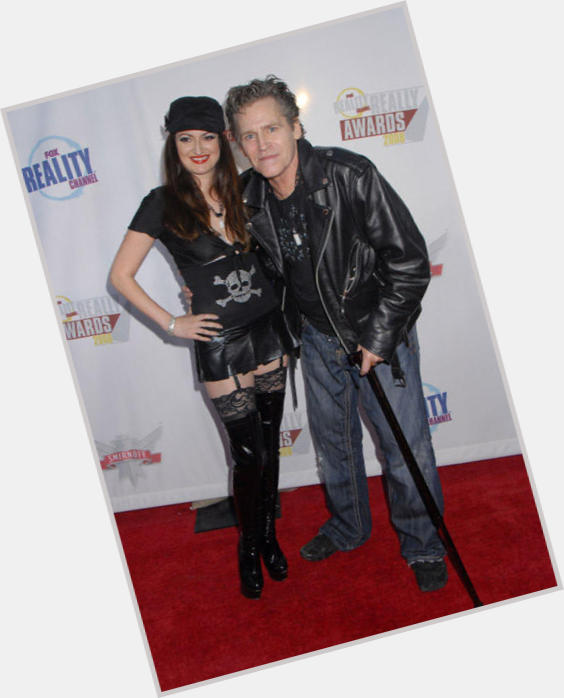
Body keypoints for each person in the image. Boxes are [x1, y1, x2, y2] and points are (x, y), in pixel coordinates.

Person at [222, 76, 448, 593]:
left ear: (296, 127)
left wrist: (380, 337)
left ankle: (423, 545)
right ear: (239, 143)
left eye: (272, 129)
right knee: (334, 446)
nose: (262, 144)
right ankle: (349, 527)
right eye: (250, 135)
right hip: (315, 340)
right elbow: (249, 271)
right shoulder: (247, 196)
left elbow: (409, 262)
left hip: (376, 335)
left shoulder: (349, 174)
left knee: (405, 447)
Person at [110, 96, 295, 600]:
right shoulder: (161, 202)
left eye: (208, 137)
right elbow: (120, 276)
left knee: (270, 442)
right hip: (220, 342)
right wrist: (173, 322)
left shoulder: (248, 187)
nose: (197, 148)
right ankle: (247, 546)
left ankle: (269, 536)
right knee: (247, 454)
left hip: (268, 328)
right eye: (186, 138)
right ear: (173, 144)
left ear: (223, 141)